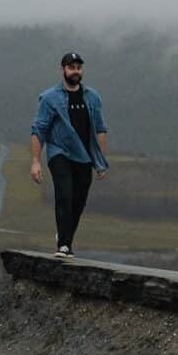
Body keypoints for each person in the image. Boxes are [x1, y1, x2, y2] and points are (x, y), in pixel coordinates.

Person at [28, 52, 108, 255]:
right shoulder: (49, 98)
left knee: (78, 201)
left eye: (78, 67)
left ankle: (64, 235)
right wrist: (35, 161)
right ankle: (64, 245)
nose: (75, 71)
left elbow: (99, 129)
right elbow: (39, 129)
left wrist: (100, 161)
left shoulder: (92, 97)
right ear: (62, 70)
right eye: (71, 67)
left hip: (85, 156)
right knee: (65, 195)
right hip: (59, 153)